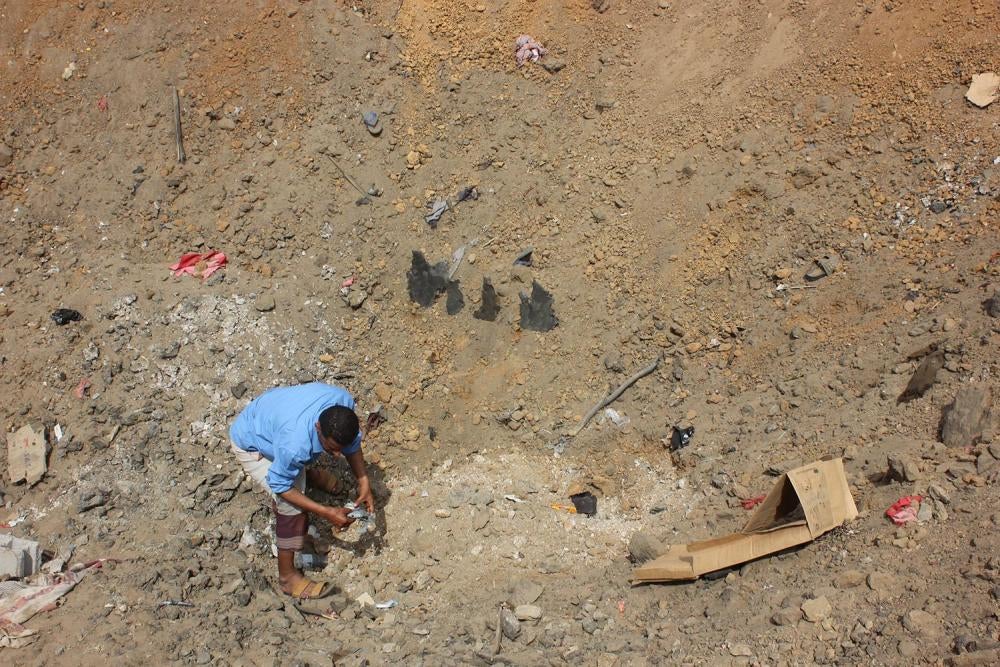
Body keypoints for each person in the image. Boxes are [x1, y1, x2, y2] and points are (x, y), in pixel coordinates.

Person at [229, 382, 375, 599]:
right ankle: (288, 577)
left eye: (340, 450)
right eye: (330, 449)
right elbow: (281, 486)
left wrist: (363, 480)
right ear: (318, 427)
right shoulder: (294, 445)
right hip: (252, 442)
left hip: (272, 417)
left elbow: (352, 442)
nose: (336, 457)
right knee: (291, 506)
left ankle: (309, 474)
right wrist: (325, 511)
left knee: (299, 466)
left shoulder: (342, 402)